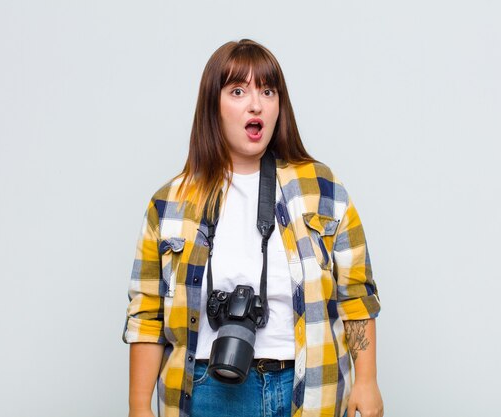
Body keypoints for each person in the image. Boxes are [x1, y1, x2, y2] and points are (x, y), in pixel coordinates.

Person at [123, 39, 383, 417]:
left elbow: (356, 295)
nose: (256, 103)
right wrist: (138, 406)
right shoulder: (170, 204)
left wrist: (366, 381)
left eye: (267, 90)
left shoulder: (322, 189)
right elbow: (147, 315)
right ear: (213, 105)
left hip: (310, 388)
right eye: (238, 91)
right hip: (204, 389)